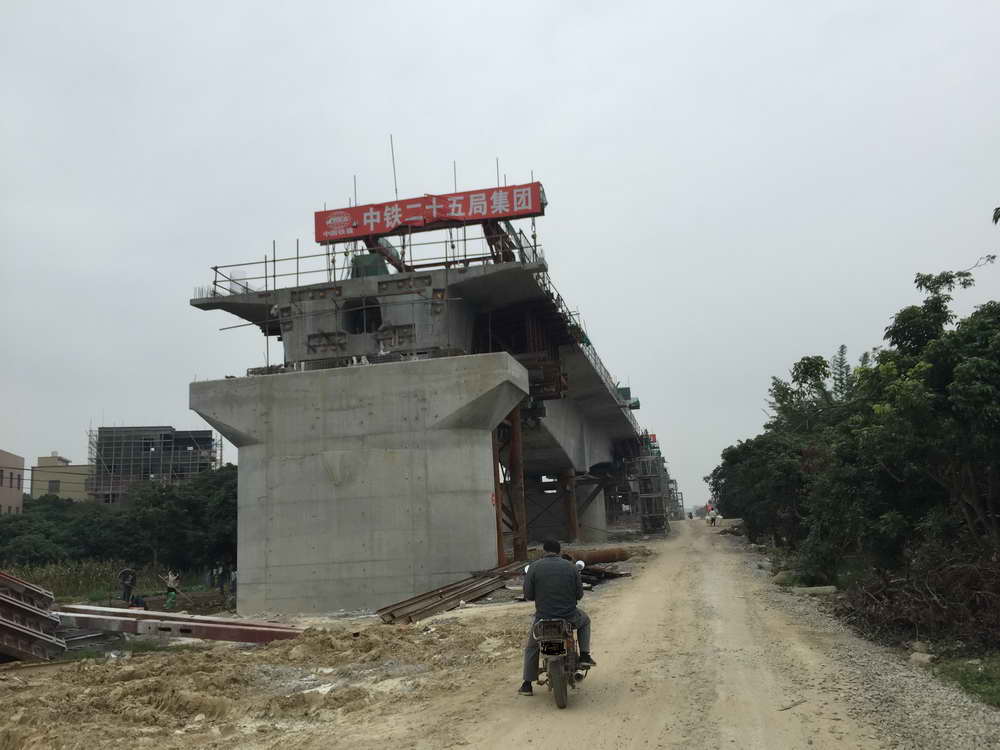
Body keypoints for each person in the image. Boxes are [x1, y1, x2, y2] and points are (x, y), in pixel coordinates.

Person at [519, 539, 595, 697]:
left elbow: (528, 595)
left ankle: (527, 684)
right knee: (585, 621)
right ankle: (585, 655)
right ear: (559, 551)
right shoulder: (571, 567)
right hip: (569, 617)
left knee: (532, 646)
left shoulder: (534, 567)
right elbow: (579, 594)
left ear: (544, 551)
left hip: (543, 618)